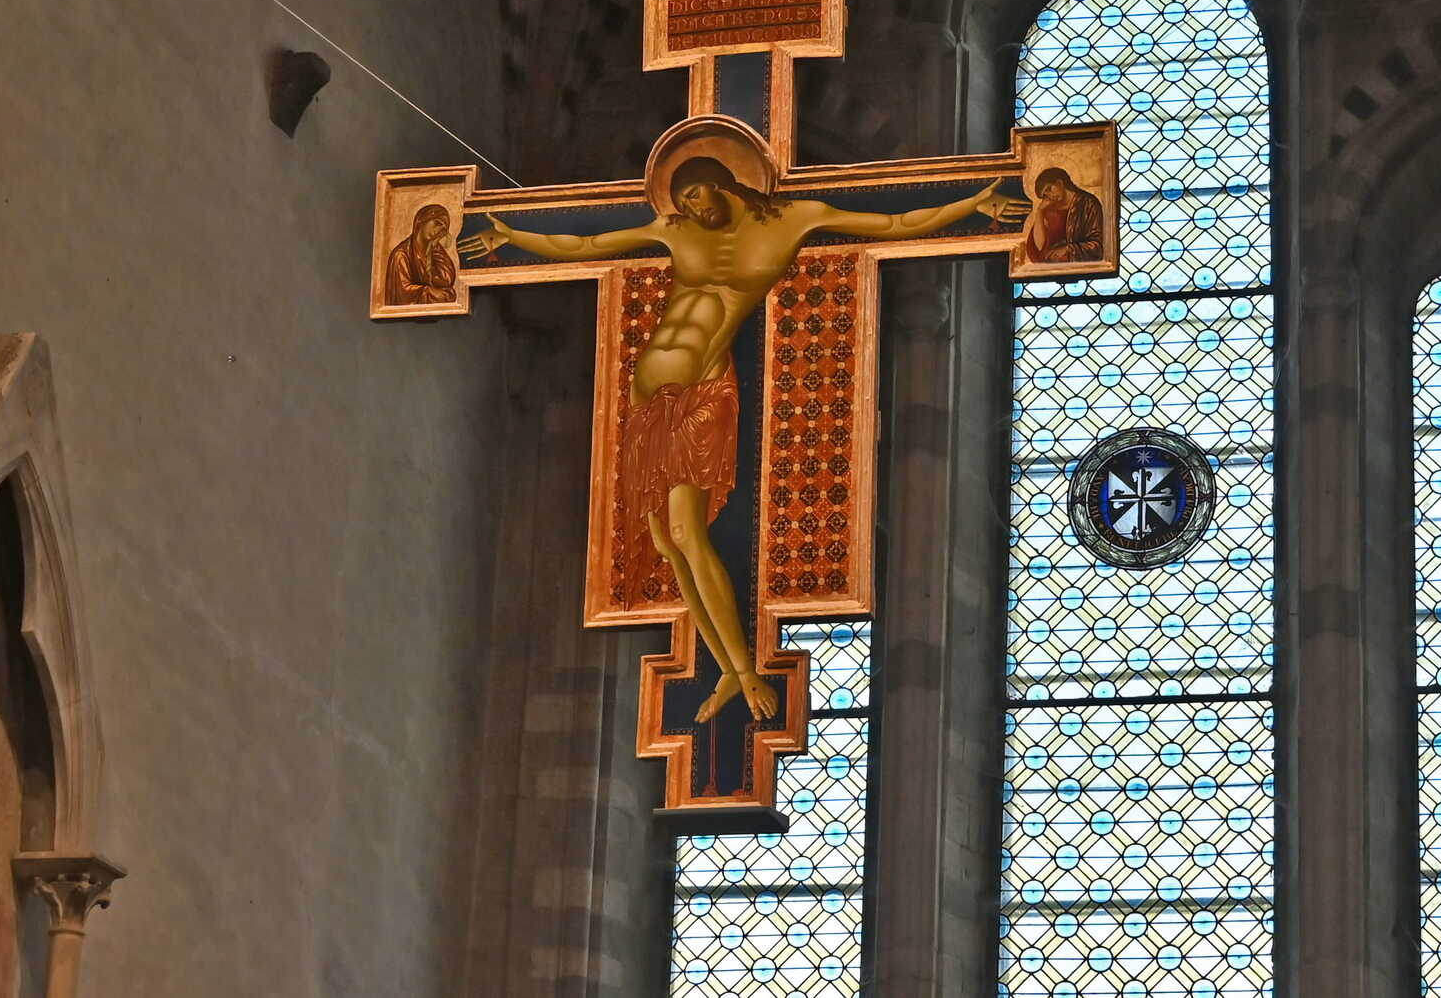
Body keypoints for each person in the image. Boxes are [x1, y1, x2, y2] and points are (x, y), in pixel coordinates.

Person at [460, 152, 1027, 723]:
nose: (688, 210)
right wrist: (513, 234)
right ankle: (728, 668)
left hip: (703, 395)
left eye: (694, 198)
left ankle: (746, 669)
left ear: (720, 184)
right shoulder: (672, 230)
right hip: (646, 399)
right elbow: (586, 247)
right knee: (664, 543)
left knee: (687, 530)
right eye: (680, 203)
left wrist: (974, 203)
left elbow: (895, 223)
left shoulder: (795, 218)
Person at [1023, 166, 1105, 263]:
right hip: (1053, 267)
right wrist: (1039, 212)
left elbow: (1098, 246)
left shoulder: (1088, 203)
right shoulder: (1049, 210)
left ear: (1060, 183)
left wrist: (1068, 250)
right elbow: (1039, 248)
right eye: (1045, 195)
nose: (1049, 196)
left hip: (1079, 266)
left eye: (1049, 189)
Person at [385, 203, 456, 304]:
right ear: (421, 220)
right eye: (437, 223)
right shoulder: (401, 255)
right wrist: (429, 291)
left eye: (443, 229)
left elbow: (446, 280)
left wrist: (435, 248)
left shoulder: (433, 251)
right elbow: (403, 292)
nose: (439, 230)